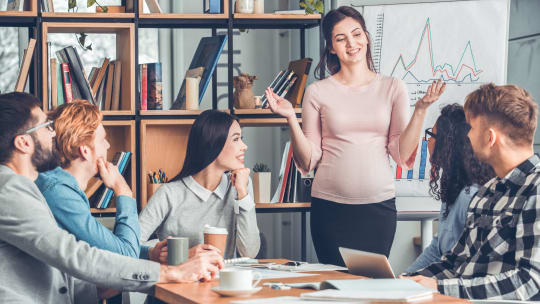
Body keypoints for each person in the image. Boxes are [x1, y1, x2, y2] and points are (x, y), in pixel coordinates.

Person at [0, 92, 224, 302]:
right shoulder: (10, 189)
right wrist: (171, 273)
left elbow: (57, 262)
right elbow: (72, 254)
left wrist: (101, 284)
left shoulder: (24, 187)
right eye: (46, 127)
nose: (53, 133)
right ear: (23, 143)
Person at [265, 6, 446, 265]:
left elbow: (401, 153)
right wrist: (290, 118)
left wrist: (420, 110)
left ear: (367, 37)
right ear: (331, 48)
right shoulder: (318, 92)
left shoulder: (392, 87)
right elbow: (308, 161)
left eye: (357, 34)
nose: (352, 43)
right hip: (329, 208)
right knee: (335, 287)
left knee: (372, 287)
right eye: (341, 38)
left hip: (378, 209)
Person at [404, 84, 540, 300]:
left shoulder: (536, 190)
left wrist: (439, 287)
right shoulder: (487, 193)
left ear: (490, 137)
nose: (466, 136)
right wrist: (407, 281)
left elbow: (529, 283)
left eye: (471, 128)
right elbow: (454, 262)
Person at [138, 110, 261, 259]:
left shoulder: (240, 187)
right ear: (213, 143)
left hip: (223, 280)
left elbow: (250, 253)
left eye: (242, 138)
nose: (244, 146)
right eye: (236, 139)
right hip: (181, 280)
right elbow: (130, 244)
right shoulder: (169, 193)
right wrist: (172, 252)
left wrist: (243, 194)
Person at [405, 104, 495, 273]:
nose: (428, 141)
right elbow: (437, 249)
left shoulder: (470, 196)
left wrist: (415, 282)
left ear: (447, 144)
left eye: (431, 135)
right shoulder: (454, 190)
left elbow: (459, 264)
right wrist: (405, 277)